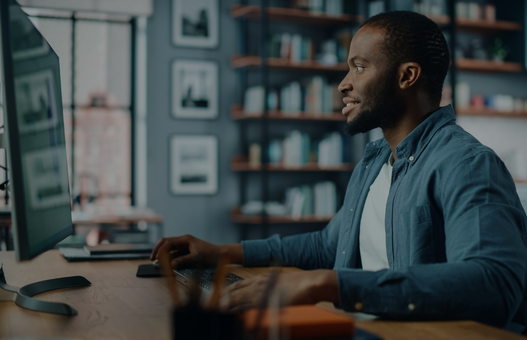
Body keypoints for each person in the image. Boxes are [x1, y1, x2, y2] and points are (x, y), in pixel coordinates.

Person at [151, 11, 527, 333]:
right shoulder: (377, 160)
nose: (343, 84)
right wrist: (221, 253)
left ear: (407, 76)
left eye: (359, 67)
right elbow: (331, 245)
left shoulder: (467, 163)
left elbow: (494, 282)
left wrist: (327, 284)